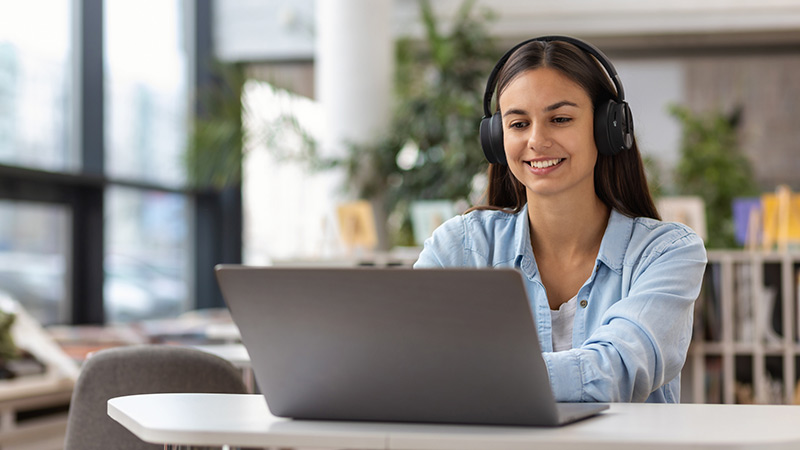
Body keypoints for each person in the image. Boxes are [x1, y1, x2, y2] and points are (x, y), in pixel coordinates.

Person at [413, 36, 707, 403]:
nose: (537, 140)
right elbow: (410, 360)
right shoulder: (460, 247)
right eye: (518, 124)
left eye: (560, 119)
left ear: (607, 129)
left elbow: (617, 370)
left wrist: (474, 377)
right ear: (496, 138)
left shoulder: (665, 253)